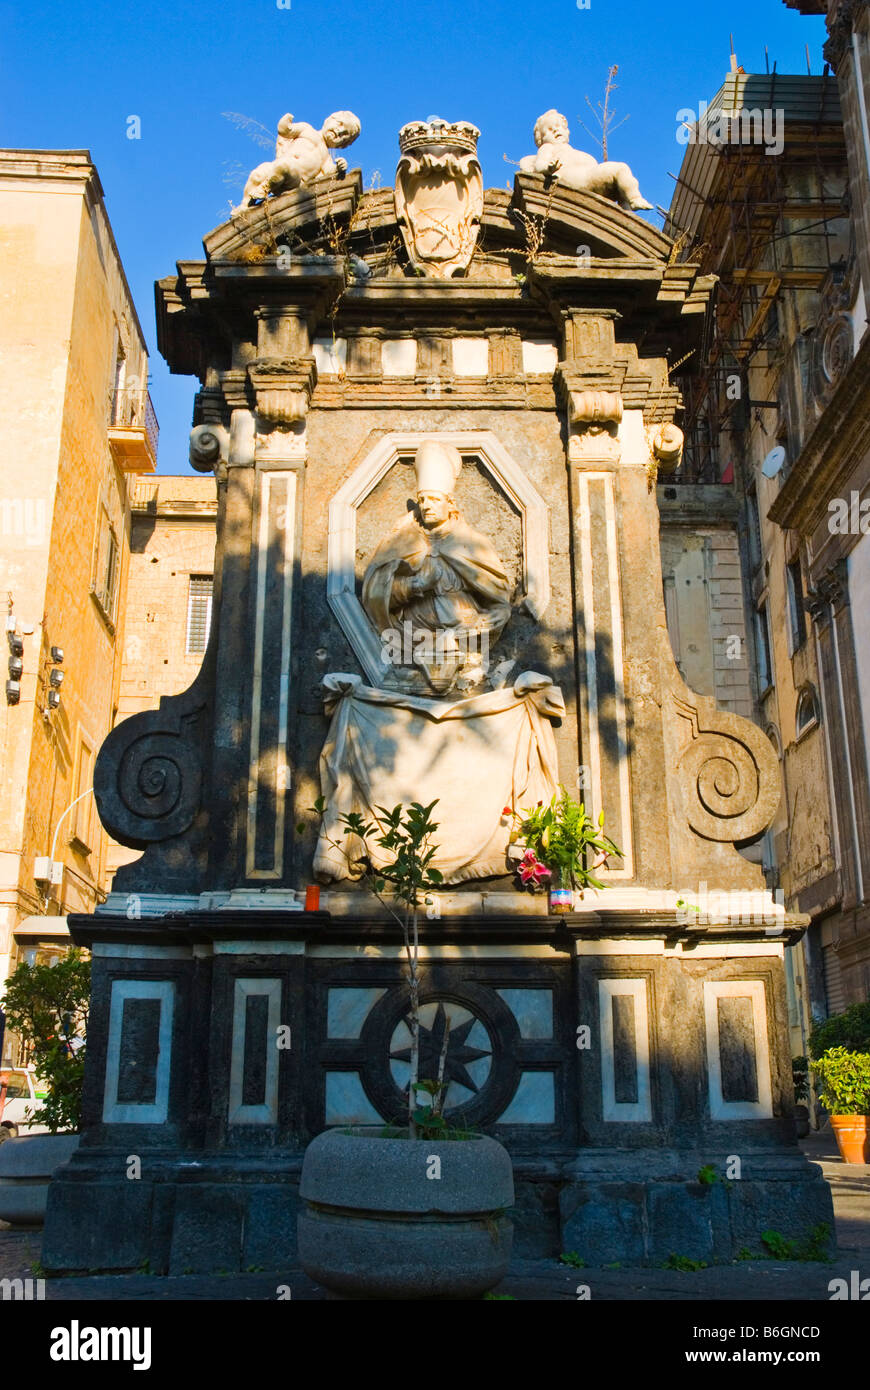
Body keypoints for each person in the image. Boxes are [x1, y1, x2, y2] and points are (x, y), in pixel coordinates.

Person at [362, 441, 513, 694]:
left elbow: (500, 601)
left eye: (434, 499)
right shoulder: (400, 541)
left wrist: (478, 625)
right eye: (422, 499)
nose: (427, 505)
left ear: (450, 502)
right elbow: (375, 595)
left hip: (461, 636)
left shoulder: (473, 544)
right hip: (410, 637)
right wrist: (415, 584)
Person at [520, 109, 653, 212]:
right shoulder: (548, 148)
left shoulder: (572, 151)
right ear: (541, 139)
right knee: (620, 169)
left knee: (621, 175)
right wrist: (549, 168)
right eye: (549, 130)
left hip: (590, 178)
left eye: (558, 126)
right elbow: (539, 165)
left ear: (567, 130)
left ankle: (629, 206)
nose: (555, 130)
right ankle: (633, 199)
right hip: (581, 181)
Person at [238, 110, 361, 208]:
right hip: (277, 166)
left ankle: (266, 187)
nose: (339, 131)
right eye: (340, 124)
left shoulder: (326, 157)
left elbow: (329, 173)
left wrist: (340, 168)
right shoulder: (306, 129)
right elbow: (286, 131)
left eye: (345, 135)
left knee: (285, 166)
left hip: (296, 180)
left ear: (342, 145)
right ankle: (245, 204)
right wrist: (285, 122)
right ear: (329, 119)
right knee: (257, 174)